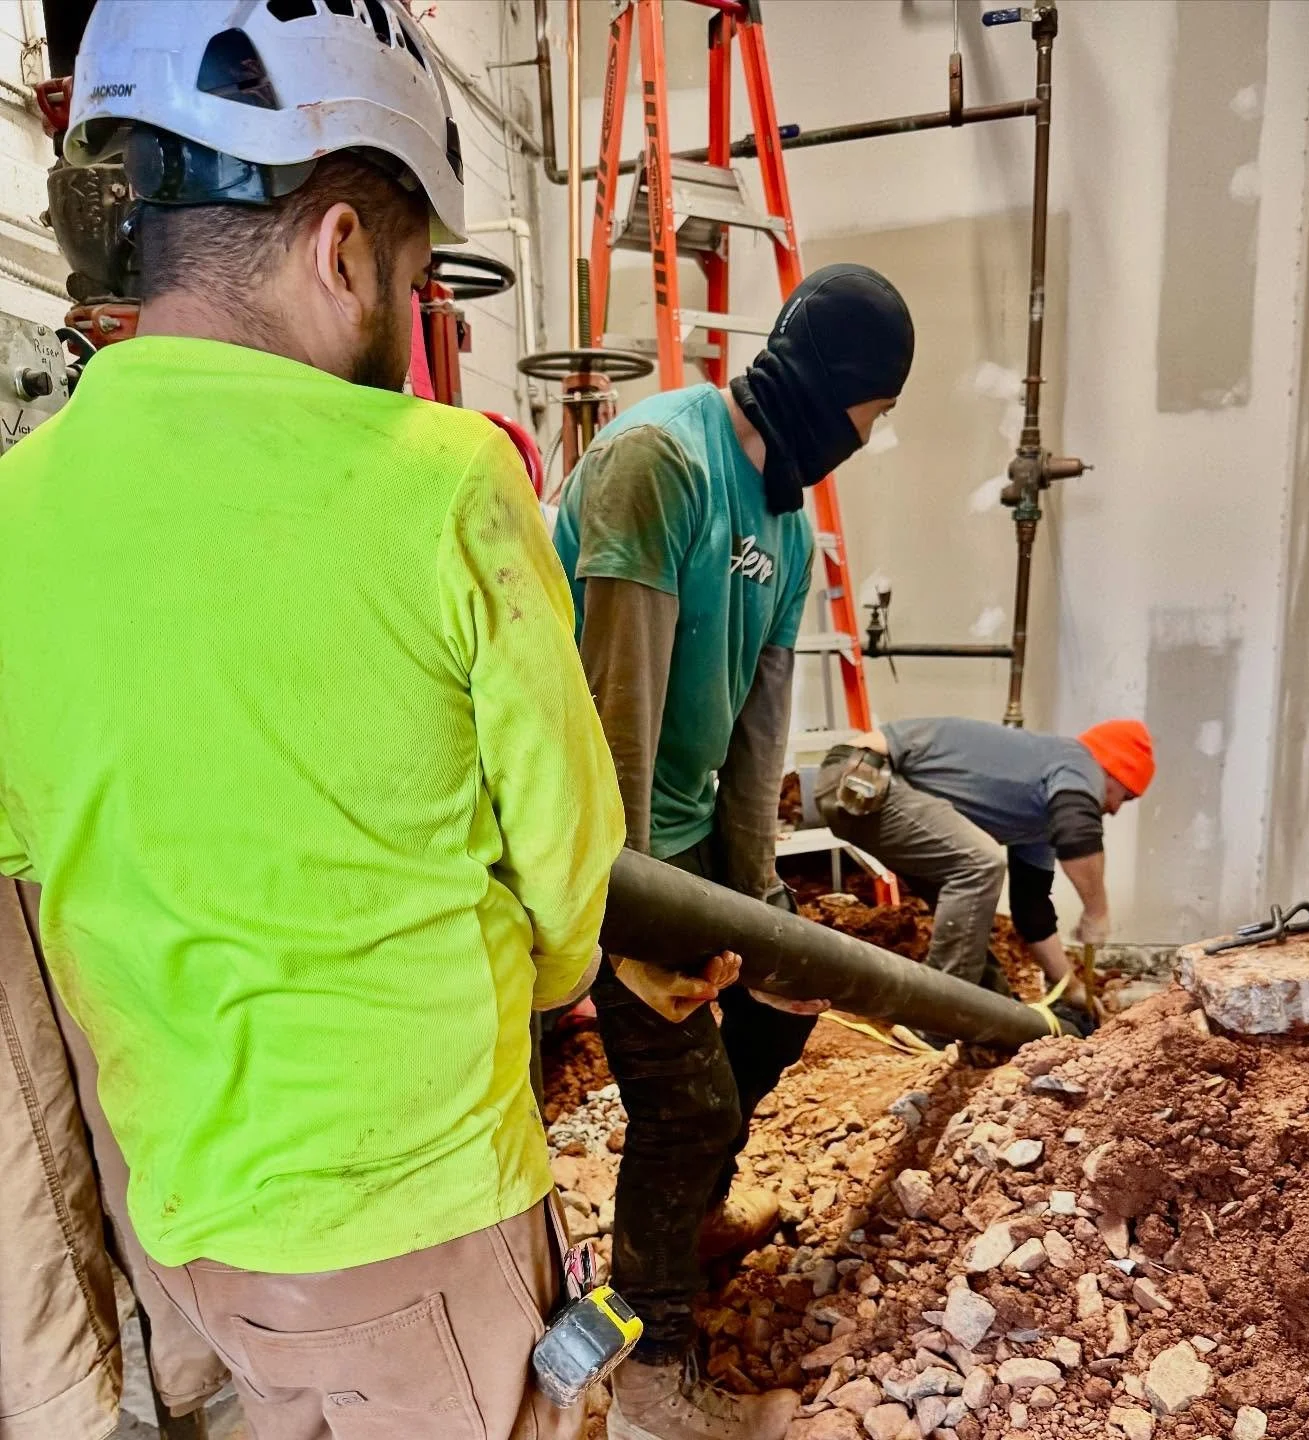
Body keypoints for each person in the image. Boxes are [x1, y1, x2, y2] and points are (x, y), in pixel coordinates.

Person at [0, 5, 624, 1438]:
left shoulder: (13, 517)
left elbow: (34, 871)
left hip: (190, 1234)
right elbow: (568, 863)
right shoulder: (446, 481)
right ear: (343, 250)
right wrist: (555, 974)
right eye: (411, 276)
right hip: (418, 1217)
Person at [552, 264, 915, 1440]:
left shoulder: (789, 526)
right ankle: (650, 1367)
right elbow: (615, 725)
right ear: (835, 386)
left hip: (687, 834)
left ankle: (691, 1215)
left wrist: (761, 915)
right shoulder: (660, 464)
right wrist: (636, 929)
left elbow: (757, 743)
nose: (868, 438)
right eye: (873, 413)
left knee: (786, 1001)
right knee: (689, 1103)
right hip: (590, 838)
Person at [815, 718, 1155, 1008]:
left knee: (968, 904)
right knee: (980, 865)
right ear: (1111, 770)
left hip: (868, 783)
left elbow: (1032, 911)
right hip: (862, 776)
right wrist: (1097, 912)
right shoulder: (1079, 762)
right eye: (1124, 797)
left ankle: (988, 1010)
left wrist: (1072, 989)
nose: (1115, 809)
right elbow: (1077, 832)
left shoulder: (1039, 815)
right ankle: (938, 1017)